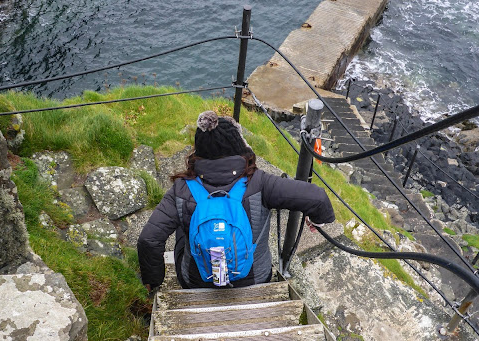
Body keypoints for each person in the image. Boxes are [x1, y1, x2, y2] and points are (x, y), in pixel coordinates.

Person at [137, 110, 335, 291]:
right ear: (238, 146)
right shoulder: (260, 182)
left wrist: (154, 281)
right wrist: (316, 219)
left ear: (199, 150)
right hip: (255, 279)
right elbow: (318, 198)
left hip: (195, 282)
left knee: (184, 223)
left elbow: (149, 240)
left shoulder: (181, 190)